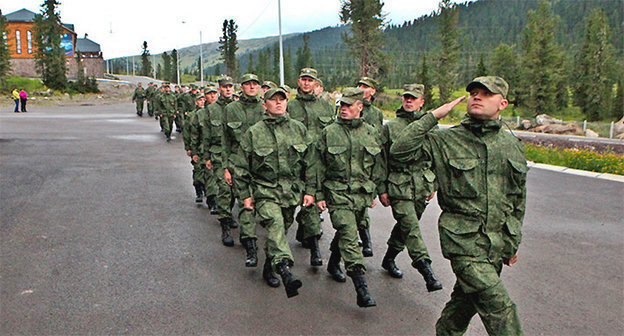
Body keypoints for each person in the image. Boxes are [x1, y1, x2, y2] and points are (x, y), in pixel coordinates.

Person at [390, 76, 526, 335]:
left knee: (463, 304)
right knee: (499, 307)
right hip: (463, 241)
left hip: (496, 243)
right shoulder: (446, 140)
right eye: (474, 92)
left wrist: (513, 240)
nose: (477, 96)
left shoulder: (511, 145)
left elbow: (518, 198)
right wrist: (433, 116)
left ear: (503, 104)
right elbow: (400, 151)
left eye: (486, 94)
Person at [233, 87, 317, 297]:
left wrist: (310, 191)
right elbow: (241, 167)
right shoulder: (254, 132)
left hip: (291, 193)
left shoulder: (299, 129)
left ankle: (269, 268)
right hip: (265, 190)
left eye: (282, 99)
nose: (278, 103)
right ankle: (285, 271)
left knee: (280, 230)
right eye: (273, 100)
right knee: (275, 224)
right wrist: (245, 195)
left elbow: (311, 164)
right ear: (265, 105)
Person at [316, 87, 384, 308]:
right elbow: (317, 166)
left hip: (362, 194)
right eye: (341, 105)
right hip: (337, 192)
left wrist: (375, 191)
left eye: (348, 105)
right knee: (348, 233)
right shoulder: (329, 132)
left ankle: (334, 263)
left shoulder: (371, 133)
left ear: (360, 107)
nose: (343, 109)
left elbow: (378, 166)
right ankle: (361, 288)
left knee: (347, 232)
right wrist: (317, 194)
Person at [378, 84, 442, 292]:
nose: (409, 101)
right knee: (411, 227)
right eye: (406, 97)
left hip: (421, 185)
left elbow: (437, 159)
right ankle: (426, 270)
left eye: (413, 98)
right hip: (398, 184)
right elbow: (381, 160)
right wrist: (381, 188)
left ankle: (389, 258)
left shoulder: (431, 127)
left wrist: (434, 183)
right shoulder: (391, 127)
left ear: (422, 102)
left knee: (406, 226)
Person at [286, 67, 335, 267]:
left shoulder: (326, 107)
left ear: (316, 84)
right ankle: (299, 233)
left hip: (318, 164)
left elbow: (332, 133)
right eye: (304, 79)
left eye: (310, 80)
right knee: (290, 205)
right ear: (299, 82)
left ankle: (315, 248)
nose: (306, 83)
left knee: (312, 204)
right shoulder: (290, 107)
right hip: (295, 163)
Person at [222, 73, 265, 266]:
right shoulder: (232, 109)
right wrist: (226, 168)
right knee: (245, 204)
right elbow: (225, 141)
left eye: (255, 84)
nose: (251, 87)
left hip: (263, 166)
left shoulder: (266, 107)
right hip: (238, 164)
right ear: (242, 87)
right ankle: (251, 248)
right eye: (248, 84)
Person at [203, 76, 237, 245]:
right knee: (224, 188)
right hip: (217, 153)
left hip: (235, 155)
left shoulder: (237, 108)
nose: (228, 89)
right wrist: (206, 157)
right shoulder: (211, 109)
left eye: (230, 86)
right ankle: (225, 227)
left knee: (234, 191)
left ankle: (228, 213)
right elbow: (207, 134)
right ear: (219, 89)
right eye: (225, 87)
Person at [184, 93, 207, 204]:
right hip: (197, 148)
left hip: (207, 148)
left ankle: (209, 194)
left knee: (209, 173)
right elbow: (187, 133)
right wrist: (188, 148)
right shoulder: (191, 115)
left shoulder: (209, 113)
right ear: (196, 102)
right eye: (200, 100)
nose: (202, 102)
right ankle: (199, 192)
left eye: (203, 99)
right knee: (198, 171)